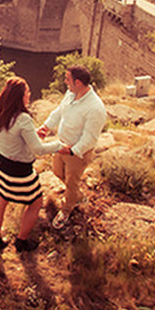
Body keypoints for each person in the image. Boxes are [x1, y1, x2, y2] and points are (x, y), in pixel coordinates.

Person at [0, 76, 72, 254]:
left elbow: (11, 136)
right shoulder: (23, 119)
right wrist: (58, 145)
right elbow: (38, 150)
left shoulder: (1, 111)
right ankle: (21, 241)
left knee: (0, 199)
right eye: (27, 92)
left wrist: (33, 134)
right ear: (20, 96)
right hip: (17, 172)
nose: (29, 95)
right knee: (35, 203)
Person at [37, 65, 107, 229]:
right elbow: (59, 112)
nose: (65, 82)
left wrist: (72, 150)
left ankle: (66, 211)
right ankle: (77, 196)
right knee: (56, 171)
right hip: (61, 144)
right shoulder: (71, 93)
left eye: (68, 79)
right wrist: (46, 127)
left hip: (76, 152)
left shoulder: (95, 108)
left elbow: (90, 137)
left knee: (71, 182)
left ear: (78, 83)